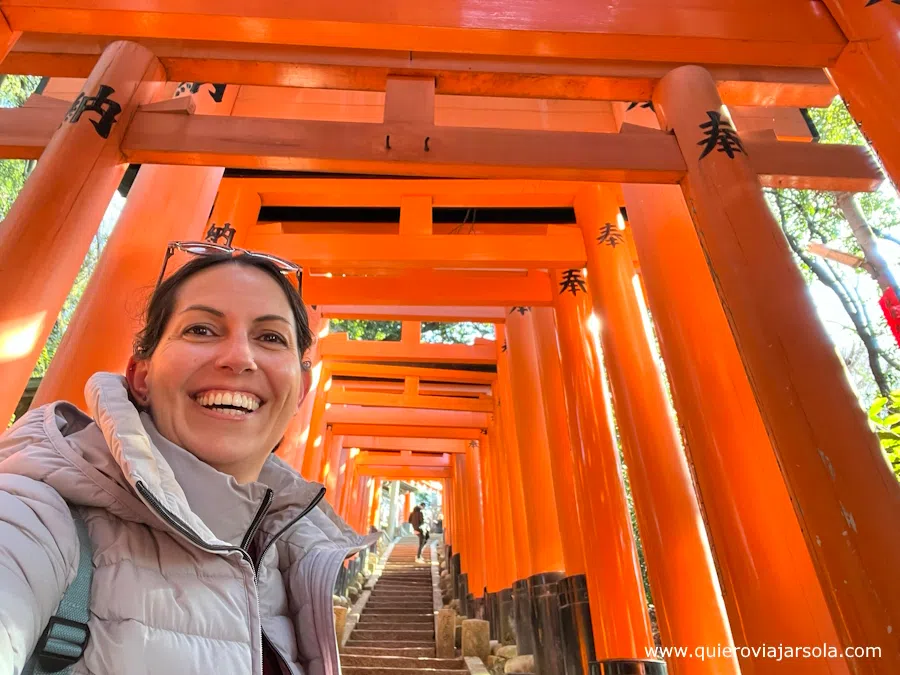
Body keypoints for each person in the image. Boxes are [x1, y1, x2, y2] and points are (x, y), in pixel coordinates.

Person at [0, 242, 376, 675]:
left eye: (270, 337)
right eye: (201, 329)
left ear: (300, 393)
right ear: (140, 377)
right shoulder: (37, 519)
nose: (239, 358)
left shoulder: (285, 562)